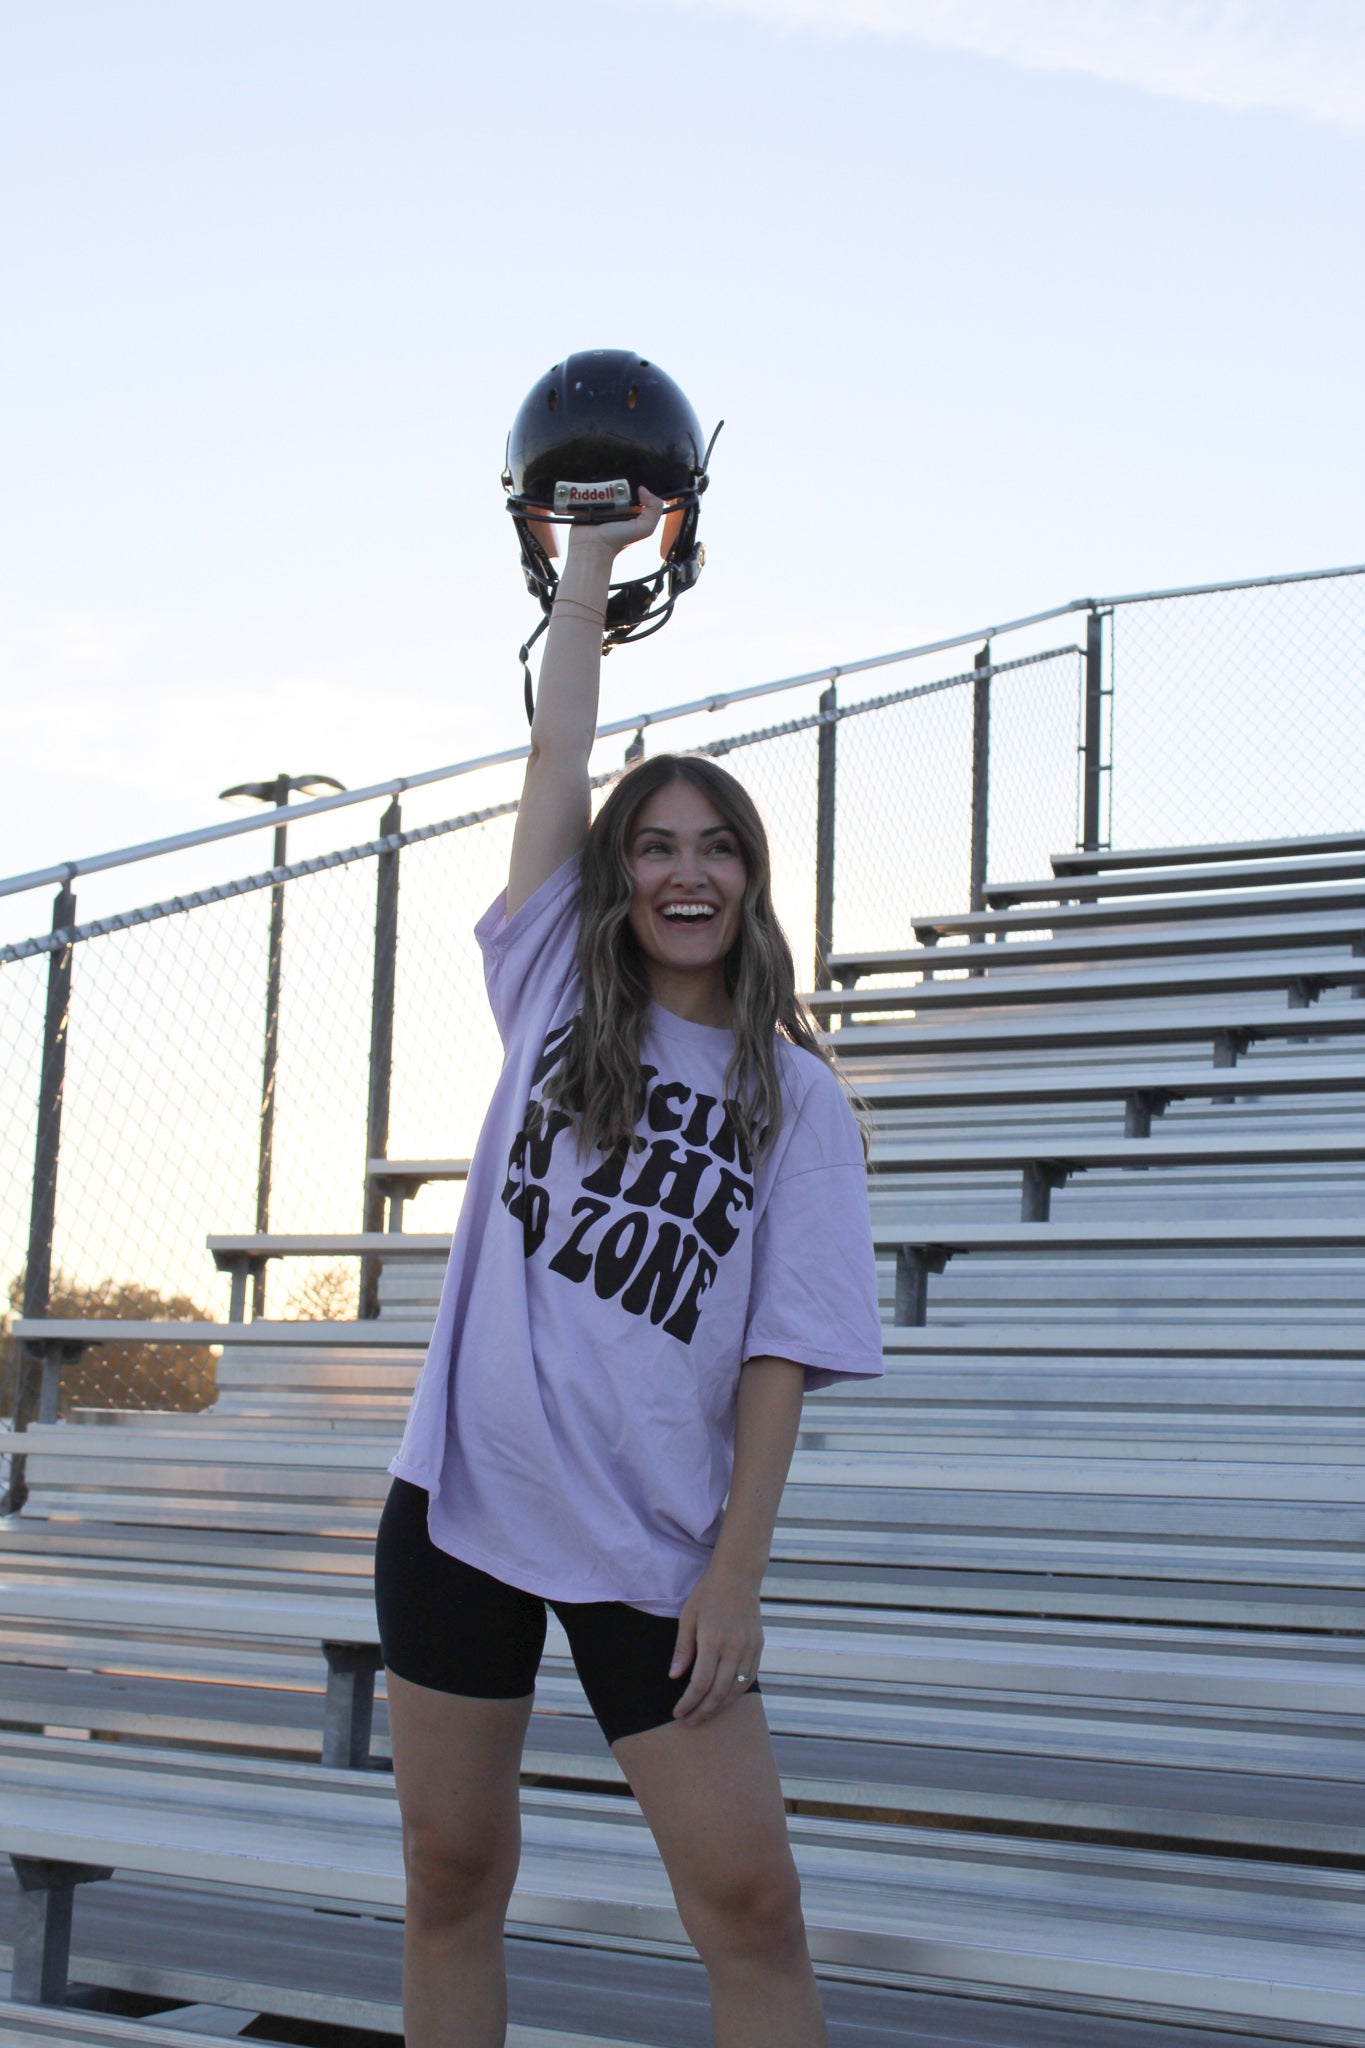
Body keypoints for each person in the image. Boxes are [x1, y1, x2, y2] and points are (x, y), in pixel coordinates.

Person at [374, 487, 884, 2048]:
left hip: (658, 1551)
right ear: (617, 875)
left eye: (716, 848)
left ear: (753, 879)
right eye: (653, 846)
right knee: (452, 1871)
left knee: (750, 1908)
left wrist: (733, 1573)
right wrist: (588, 568)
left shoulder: (795, 1096)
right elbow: (553, 758)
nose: (684, 872)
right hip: (463, 1505)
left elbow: (779, 1352)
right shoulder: (547, 987)